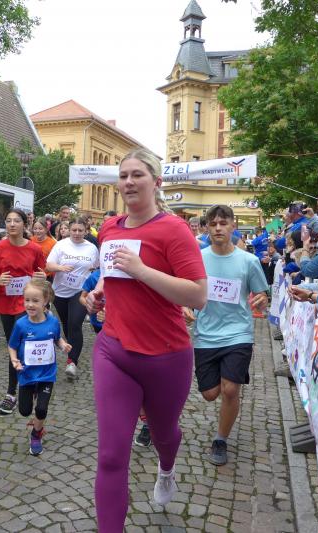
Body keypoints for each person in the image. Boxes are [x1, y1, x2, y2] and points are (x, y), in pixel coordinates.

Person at [85, 148, 206, 531]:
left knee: (163, 433)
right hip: (114, 351)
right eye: (123, 175)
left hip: (165, 356)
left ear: (156, 182)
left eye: (137, 174)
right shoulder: (109, 228)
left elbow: (198, 295)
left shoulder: (174, 229)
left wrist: (142, 271)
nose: (129, 182)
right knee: (110, 457)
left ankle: (166, 467)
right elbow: (111, 275)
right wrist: (98, 292)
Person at [182, 204, 269, 465]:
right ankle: (224, 383)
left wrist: (262, 300)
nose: (218, 228)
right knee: (210, 393)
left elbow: (262, 294)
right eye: (213, 224)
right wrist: (185, 306)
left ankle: (220, 440)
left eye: (223, 223)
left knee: (230, 389)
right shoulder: (198, 259)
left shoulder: (249, 261)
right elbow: (186, 290)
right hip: (206, 334)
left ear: (233, 226)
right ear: (207, 228)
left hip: (238, 333)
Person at [0, 208, 47, 415]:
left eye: (16, 221)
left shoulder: (34, 249)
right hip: (5, 303)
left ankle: (17, 390)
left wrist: (41, 278)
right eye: (8, 220)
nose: (11, 224)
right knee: (15, 346)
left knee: (23, 343)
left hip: (27, 303)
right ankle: (14, 393)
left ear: (24, 224)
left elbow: (42, 274)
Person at [8, 279, 71, 455]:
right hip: (27, 374)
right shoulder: (21, 325)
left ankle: (36, 434)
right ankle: (32, 395)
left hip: (46, 374)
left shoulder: (53, 323)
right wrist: (14, 360)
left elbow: (56, 338)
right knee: (24, 411)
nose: (30, 304)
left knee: (41, 409)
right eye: (27, 300)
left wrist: (63, 345)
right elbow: (12, 346)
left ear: (45, 301)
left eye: (35, 301)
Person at [46, 216, 99, 380]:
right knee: (67, 325)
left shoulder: (91, 248)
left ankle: (72, 362)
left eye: (80, 230)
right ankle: (73, 347)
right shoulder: (61, 245)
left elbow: (97, 267)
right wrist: (60, 267)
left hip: (80, 291)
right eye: (74, 230)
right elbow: (48, 265)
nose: (76, 233)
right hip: (60, 291)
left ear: (86, 231)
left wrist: (92, 274)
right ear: (69, 230)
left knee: (75, 323)